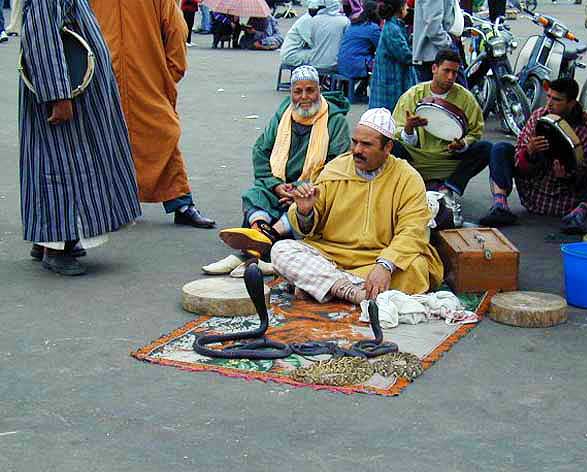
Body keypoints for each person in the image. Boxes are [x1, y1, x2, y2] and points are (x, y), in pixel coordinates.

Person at [268, 108, 444, 305]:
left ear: (388, 148)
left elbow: (413, 230)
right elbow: (308, 228)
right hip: (331, 255)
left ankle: (324, 287)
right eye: (355, 142)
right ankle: (355, 293)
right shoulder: (335, 170)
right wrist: (305, 211)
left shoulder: (407, 178)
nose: (357, 150)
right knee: (282, 250)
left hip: (379, 258)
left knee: (416, 268)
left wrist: (385, 265)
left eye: (366, 144)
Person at [20, 0, 141, 275]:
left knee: (70, 163)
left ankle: (55, 238)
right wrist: (58, 95)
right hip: (66, 93)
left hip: (76, 90)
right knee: (62, 166)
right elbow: (42, 36)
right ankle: (55, 248)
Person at [206, 66, 351, 276]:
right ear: (291, 93)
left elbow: (336, 165)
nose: (304, 97)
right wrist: (275, 185)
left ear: (319, 91)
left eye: (310, 90)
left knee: (310, 204)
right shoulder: (283, 115)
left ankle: (250, 250)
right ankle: (258, 239)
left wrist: (300, 189)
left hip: (313, 188)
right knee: (256, 194)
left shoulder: (335, 121)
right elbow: (261, 151)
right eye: (297, 91)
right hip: (279, 184)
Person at [90, 0, 216, 229]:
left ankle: (181, 203)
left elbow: (176, 29)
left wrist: (170, 74)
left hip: (144, 79)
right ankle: (118, 206)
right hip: (106, 80)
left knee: (164, 136)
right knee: (108, 142)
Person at [480, 78, 587, 234]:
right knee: (500, 148)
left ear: (571, 103)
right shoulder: (539, 116)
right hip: (534, 193)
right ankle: (500, 206)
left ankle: (578, 214)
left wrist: (568, 174)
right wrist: (529, 151)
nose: (549, 103)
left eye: (557, 100)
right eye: (548, 97)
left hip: (571, 199)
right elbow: (519, 162)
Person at [391, 49, 491, 226]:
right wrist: (409, 129)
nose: (451, 77)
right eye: (447, 71)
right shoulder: (413, 95)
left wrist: (462, 145)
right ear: (434, 68)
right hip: (417, 160)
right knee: (392, 146)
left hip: (449, 160)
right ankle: (412, 188)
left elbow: (475, 132)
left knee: (486, 148)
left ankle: (449, 188)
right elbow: (396, 130)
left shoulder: (465, 98)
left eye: (455, 72)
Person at [368, 0, 416, 112]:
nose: (407, 8)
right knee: (389, 113)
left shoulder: (394, 25)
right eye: (405, 6)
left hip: (392, 75)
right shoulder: (392, 29)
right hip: (390, 79)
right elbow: (405, 56)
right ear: (399, 9)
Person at [337, 1, 381, 83]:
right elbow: (381, 47)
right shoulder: (372, 28)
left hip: (342, 66)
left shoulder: (353, 25)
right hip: (356, 67)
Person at [412, 0, 455, 82]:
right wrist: (448, 44)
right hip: (435, 54)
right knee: (458, 92)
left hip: (435, 53)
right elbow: (433, 27)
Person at [308, 0, 350, 70]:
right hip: (334, 64)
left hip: (314, 62)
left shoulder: (314, 20)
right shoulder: (344, 21)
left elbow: (312, 41)